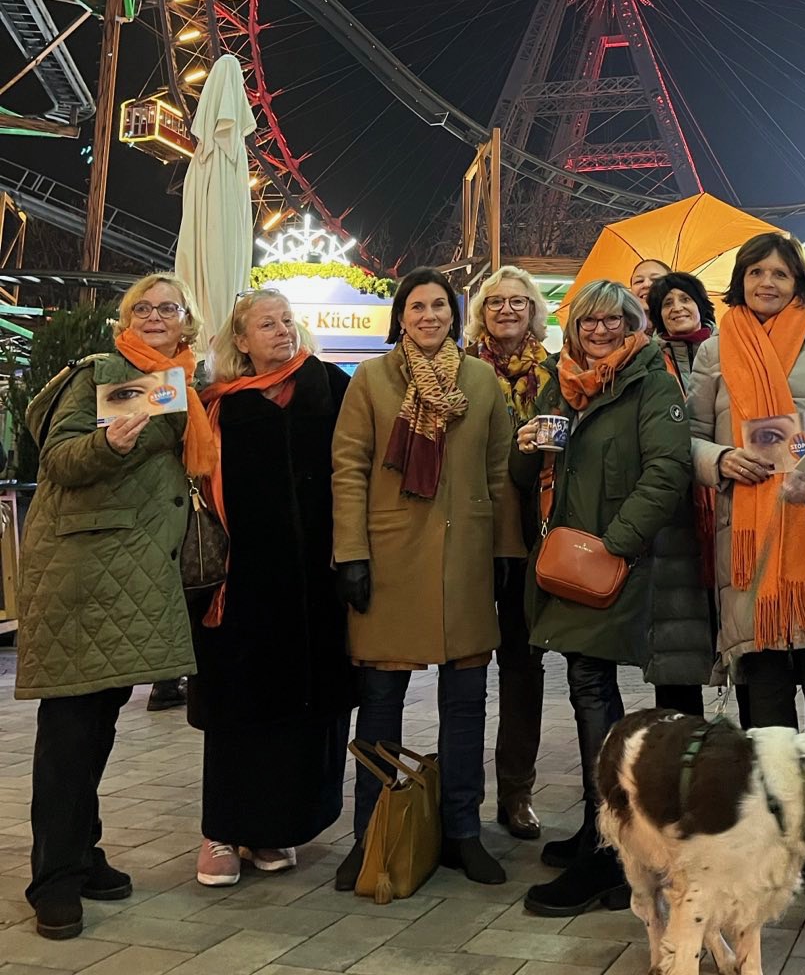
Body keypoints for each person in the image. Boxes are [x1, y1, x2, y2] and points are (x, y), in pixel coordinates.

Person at [16, 273, 207, 941]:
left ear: (186, 322)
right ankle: (54, 880)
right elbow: (61, 457)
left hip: (129, 572)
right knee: (71, 727)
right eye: (143, 308)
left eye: (168, 308)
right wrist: (107, 444)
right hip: (83, 569)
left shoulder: (183, 380)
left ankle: (82, 851)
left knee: (96, 722)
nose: (156, 317)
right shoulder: (106, 369)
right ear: (127, 319)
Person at [512, 280, 698, 917]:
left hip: (608, 562)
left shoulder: (651, 382)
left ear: (632, 324)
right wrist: (526, 449)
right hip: (567, 558)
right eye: (588, 321)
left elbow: (667, 472)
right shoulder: (561, 382)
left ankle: (612, 855)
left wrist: (614, 544)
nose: (599, 331)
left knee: (592, 687)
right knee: (587, 688)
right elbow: (532, 468)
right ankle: (604, 831)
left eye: (613, 320)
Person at [688, 232, 805, 908]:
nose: (767, 282)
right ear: (740, 279)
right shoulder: (713, 348)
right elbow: (691, 435)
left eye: (780, 273)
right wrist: (720, 461)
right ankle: (776, 849)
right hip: (748, 548)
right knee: (765, 715)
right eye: (756, 272)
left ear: (800, 281)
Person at [331, 269, 520, 889]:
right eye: (417, 305)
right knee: (380, 707)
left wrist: (505, 553)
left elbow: (497, 471)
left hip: (465, 558)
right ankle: (372, 835)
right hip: (390, 558)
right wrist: (351, 553)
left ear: (456, 313)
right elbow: (350, 469)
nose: (430, 315)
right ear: (401, 315)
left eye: (440, 304)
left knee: (465, 705)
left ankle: (463, 830)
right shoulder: (372, 379)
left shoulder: (481, 380)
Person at [189, 290, 355, 887]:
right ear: (240, 340)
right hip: (239, 583)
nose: (282, 330)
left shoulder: (332, 388)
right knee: (237, 705)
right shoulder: (215, 405)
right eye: (267, 323)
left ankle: (276, 827)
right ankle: (222, 830)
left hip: (318, 581)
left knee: (305, 710)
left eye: (288, 320)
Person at [463, 265, 552, 842]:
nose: (508, 310)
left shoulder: (556, 372)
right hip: (471, 527)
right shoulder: (460, 368)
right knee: (465, 663)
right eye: (496, 302)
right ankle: (460, 797)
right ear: (481, 311)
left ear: (534, 311)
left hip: (532, 533)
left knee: (523, 665)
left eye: (519, 302)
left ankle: (517, 793)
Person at [644, 270, 724, 717]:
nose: (677, 307)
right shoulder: (651, 361)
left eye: (685, 298)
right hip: (675, 515)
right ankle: (681, 747)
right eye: (666, 303)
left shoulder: (730, 349)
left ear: (700, 303)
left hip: (727, 502)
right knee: (677, 644)